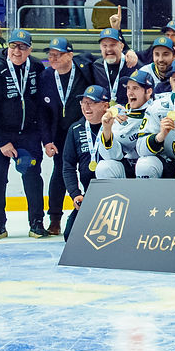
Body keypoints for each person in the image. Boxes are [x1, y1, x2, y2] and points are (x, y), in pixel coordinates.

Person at [0, 29, 52, 240]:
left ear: (29, 49)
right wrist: (2, 141)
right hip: (1, 137)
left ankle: (37, 223)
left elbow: (42, 105)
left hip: (29, 135)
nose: (17, 51)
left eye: (22, 47)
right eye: (13, 46)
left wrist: (44, 137)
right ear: (8, 47)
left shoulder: (37, 68)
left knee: (32, 178)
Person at [40, 37, 94, 235]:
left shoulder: (84, 70)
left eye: (58, 54)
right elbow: (42, 113)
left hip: (84, 130)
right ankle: (54, 219)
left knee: (90, 170)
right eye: (50, 54)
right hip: (60, 135)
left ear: (70, 55)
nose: (52, 58)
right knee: (60, 173)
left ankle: (92, 211)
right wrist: (47, 140)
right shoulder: (46, 76)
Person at [60, 85, 111, 240]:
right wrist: (75, 194)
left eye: (92, 103)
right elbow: (68, 166)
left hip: (114, 194)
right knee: (70, 237)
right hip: (89, 194)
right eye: (83, 102)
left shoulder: (115, 126)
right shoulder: (75, 129)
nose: (86, 107)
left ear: (105, 105)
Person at [95, 70, 155, 178]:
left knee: (145, 165)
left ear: (149, 91)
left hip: (155, 165)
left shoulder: (160, 108)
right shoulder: (119, 114)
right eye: (128, 88)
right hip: (129, 165)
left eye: (135, 88)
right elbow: (110, 156)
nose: (130, 93)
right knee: (104, 167)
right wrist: (107, 129)